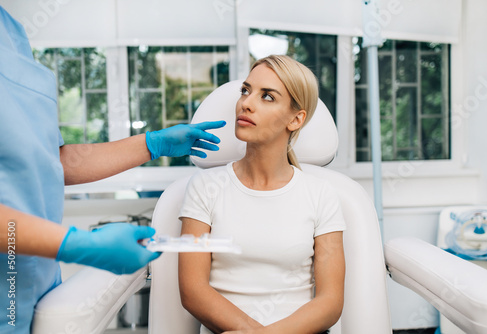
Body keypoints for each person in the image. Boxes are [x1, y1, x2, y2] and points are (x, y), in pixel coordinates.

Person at [0, 6, 225, 333]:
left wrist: (152, 144)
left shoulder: (11, 31)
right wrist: (78, 244)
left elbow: (47, 161)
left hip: (29, 292)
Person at [178, 55, 346, 334]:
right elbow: (192, 290)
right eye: (246, 90)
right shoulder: (204, 187)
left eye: (267, 97)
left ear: (295, 119)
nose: (246, 102)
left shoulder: (320, 194)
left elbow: (330, 302)